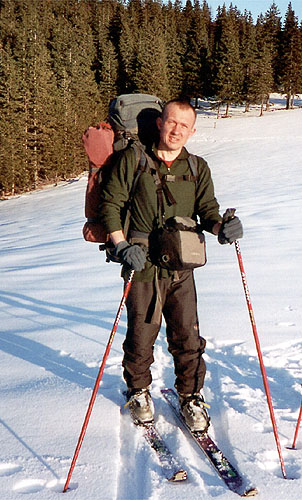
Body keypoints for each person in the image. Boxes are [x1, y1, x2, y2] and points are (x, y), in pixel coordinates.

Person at [98, 98, 243, 432]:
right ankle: (138, 391)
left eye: (184, 126)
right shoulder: (132, 160)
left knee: (188, 336)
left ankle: (190, 396)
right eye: (172, 122)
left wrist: (224, 227)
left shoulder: (196, 168)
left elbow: (208, 211)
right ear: (160, 123)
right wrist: (121, 246)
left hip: (182, 265)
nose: (177, 130)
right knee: (141, 334)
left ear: (192, 131)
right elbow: (111, 205)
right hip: (143, 263)